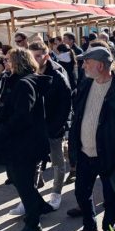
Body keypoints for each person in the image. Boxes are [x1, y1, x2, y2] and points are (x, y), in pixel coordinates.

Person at [67, 46, 115, 231]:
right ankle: (90, 229)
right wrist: (73, 148)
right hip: (84, 153)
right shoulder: (85, 85)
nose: (83, 66)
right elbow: (78, 116)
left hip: (110, 155)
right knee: (81, 193)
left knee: (111, 197)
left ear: (99, 65)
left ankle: (109, 230)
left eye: (86, 63)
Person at [0, 48, 53, 231]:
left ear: (17, 62)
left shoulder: (24, 83)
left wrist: (4, 129)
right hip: (26, 141)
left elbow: (22, 115)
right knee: (18, 178)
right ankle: (41, 206)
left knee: (21, 181)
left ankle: (33, 224)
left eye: (8, 60)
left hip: (24, 143)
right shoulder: (24, 80)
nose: (5, 63)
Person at [29, 42, 72, 210]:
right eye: (32, 56)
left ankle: (56, 193)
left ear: (46, 56)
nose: (34, 59)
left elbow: (66, 104)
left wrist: (57, 126)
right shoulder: (30, 72)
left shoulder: (58, 74)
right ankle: (30, 195)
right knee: (33, 161)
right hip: (36, 127)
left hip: (54, 126)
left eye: (38, 56)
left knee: (57, 161)